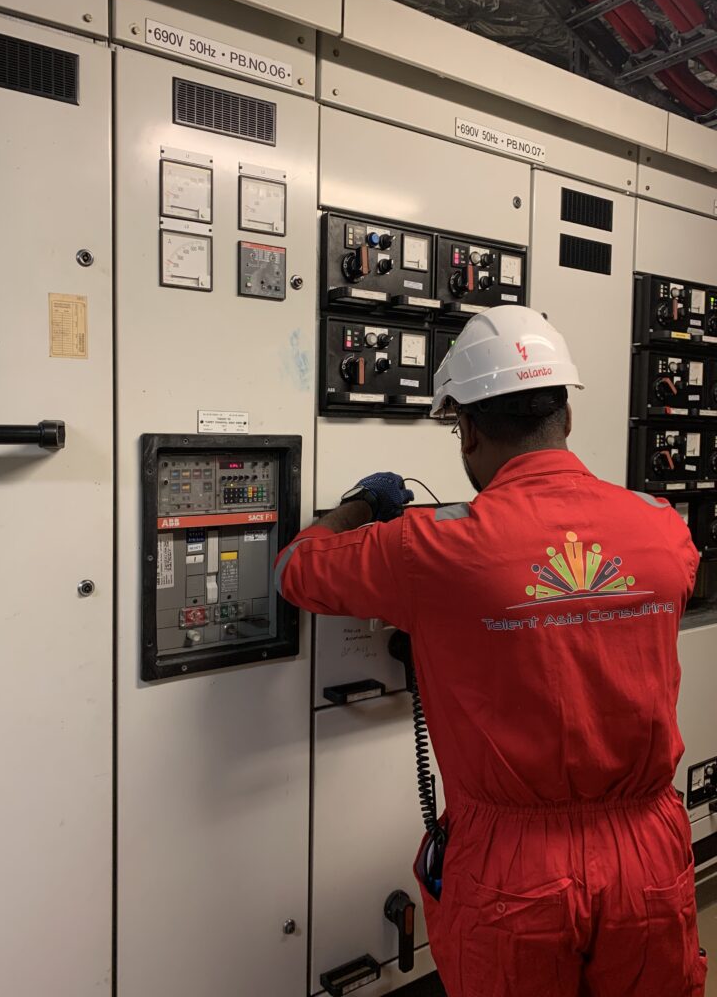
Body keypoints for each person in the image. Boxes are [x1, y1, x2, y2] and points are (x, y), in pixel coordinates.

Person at [275, 305, 707, 997]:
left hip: (515, 873)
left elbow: (295, 569)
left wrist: (361, 505)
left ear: (469, 428)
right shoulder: (663, 528)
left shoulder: (430, 549)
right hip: (648, 853)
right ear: (566, 416)